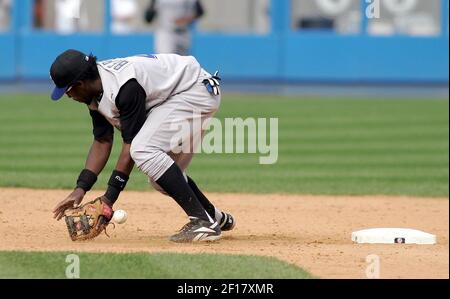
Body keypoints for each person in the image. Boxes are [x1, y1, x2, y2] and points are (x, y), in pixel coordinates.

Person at [50, 49, 235, 243]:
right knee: (162, 178)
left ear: (80, 84)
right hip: (180, 96)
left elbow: (130, 146)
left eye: (67, 90)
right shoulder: (96, 91)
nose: (67, 96)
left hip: (194, 91)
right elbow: (102, 141)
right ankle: (212, 216)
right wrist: (81, 188)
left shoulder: (124, 87)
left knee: (142, 149)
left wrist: (109, 199)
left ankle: (202, 222)